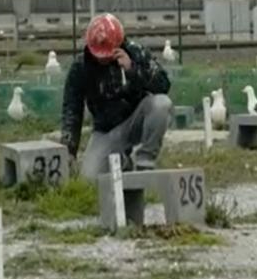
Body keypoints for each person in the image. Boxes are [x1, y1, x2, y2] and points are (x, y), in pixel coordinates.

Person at [60, 13, 173, 180]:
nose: (103, 59)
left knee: (161, 104)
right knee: (89, 178)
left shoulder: (135, 52)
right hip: (106, 132)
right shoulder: (80, 66)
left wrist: (133, 70)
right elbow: (72, 108)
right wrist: (69, 150)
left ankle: (145, 160)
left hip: (135, 119)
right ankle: (123, 162)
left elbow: (163, 85)